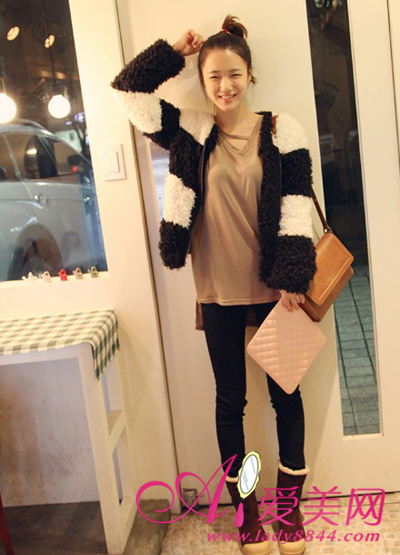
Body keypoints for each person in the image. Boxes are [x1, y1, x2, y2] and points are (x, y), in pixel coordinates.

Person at [111, 13, 317, 555]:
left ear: (250, 75)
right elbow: (127, 92)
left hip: (277, 291)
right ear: (202, 82)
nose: (225, 86)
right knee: (231, 402)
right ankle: (247, 512)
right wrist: (174, 52)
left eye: (233, 75)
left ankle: (289, 511)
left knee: (286, 397)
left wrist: (293, 275)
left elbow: (297, 205)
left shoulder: (283, 130)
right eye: (213, 77)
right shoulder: (193, 132)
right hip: (217, 290)